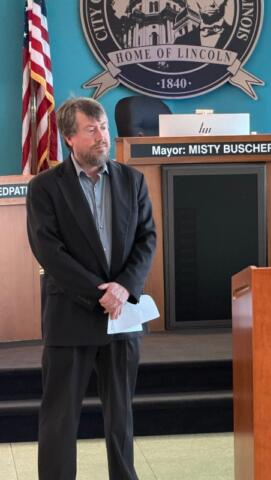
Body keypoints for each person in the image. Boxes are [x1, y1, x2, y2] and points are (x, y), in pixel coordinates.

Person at [26, 97, 156, 480]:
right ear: (69, 137)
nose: (102, 136)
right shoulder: (46, 187)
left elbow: (146, 239)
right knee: (60, 420)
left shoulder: (133, 181)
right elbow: (48, 250)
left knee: (121, 418)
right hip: (70, 316)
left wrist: (123, 288)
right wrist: (100, 292)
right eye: (91, 129)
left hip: (122, 318)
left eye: (104, 127)